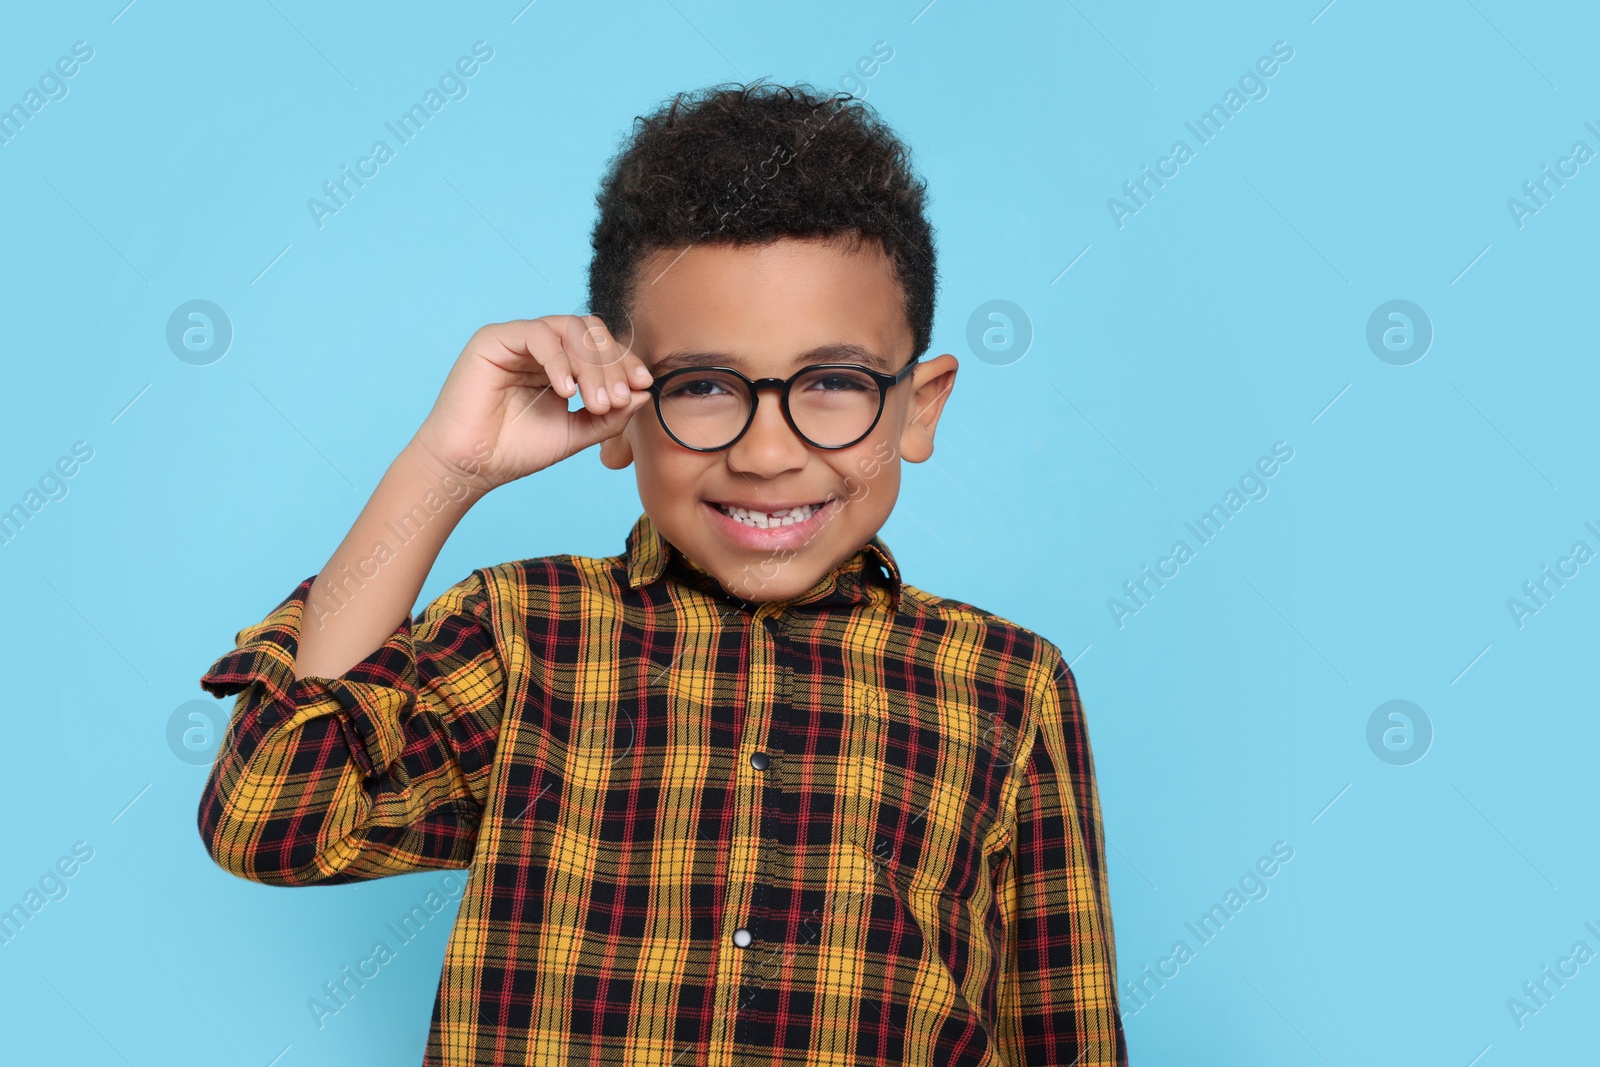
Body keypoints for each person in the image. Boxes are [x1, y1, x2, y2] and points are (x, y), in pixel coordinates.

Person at [196, 81, 1126, 1066]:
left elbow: (1063, 1038)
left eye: (833, 383)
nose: (769, 453)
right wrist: (442, 470)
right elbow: (271, 816)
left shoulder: (1010, 687)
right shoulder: (523, 632)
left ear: (919, 405)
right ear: (617, 407)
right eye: (704, 388)